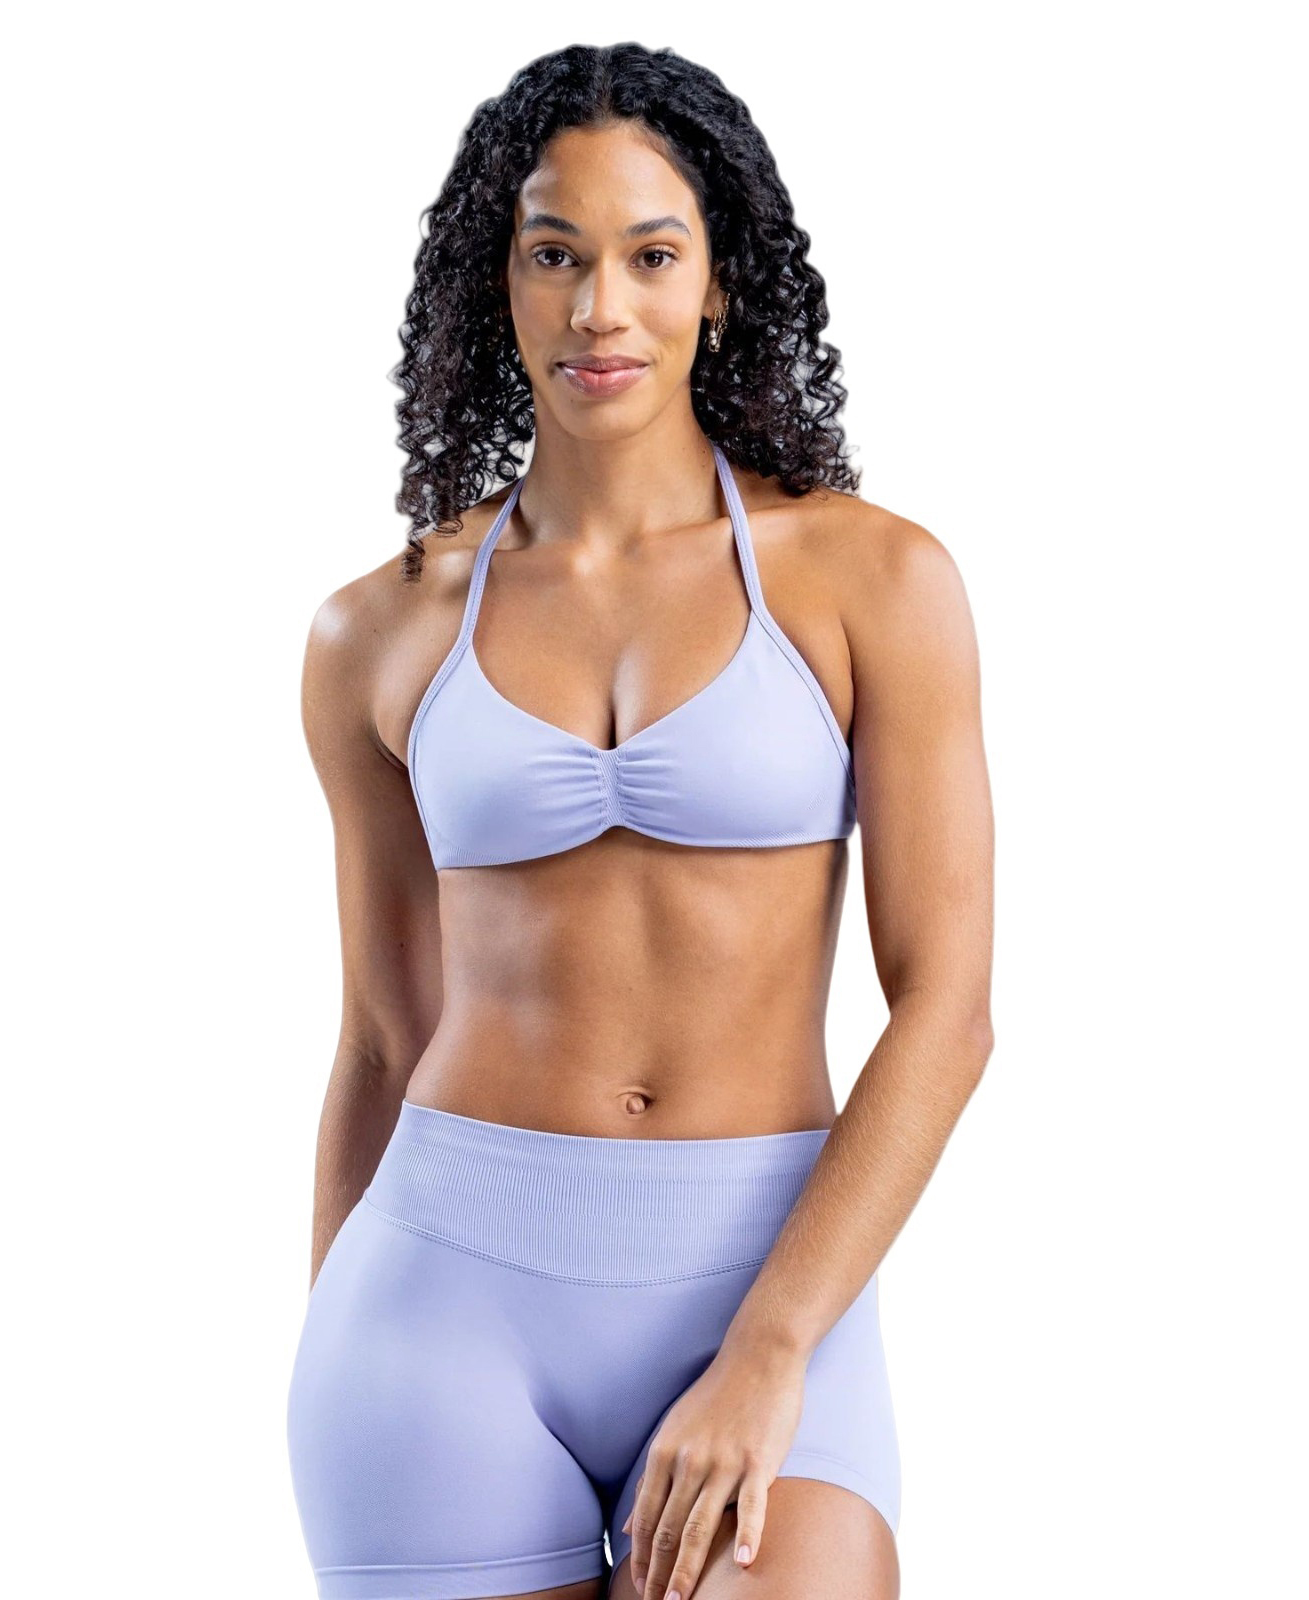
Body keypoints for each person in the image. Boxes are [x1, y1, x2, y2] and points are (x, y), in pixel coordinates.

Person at [285, 42, 994, 1600]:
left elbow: (945, 1008)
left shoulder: (872, 581)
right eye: (555, 255)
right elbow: (385, 1041)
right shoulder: (378, 633)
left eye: (651, 256)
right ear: (499, 287)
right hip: (439, 1306)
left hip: (767, 1278)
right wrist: (327, 1342)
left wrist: (772, 1346)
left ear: (719, 284)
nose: (601, 306)